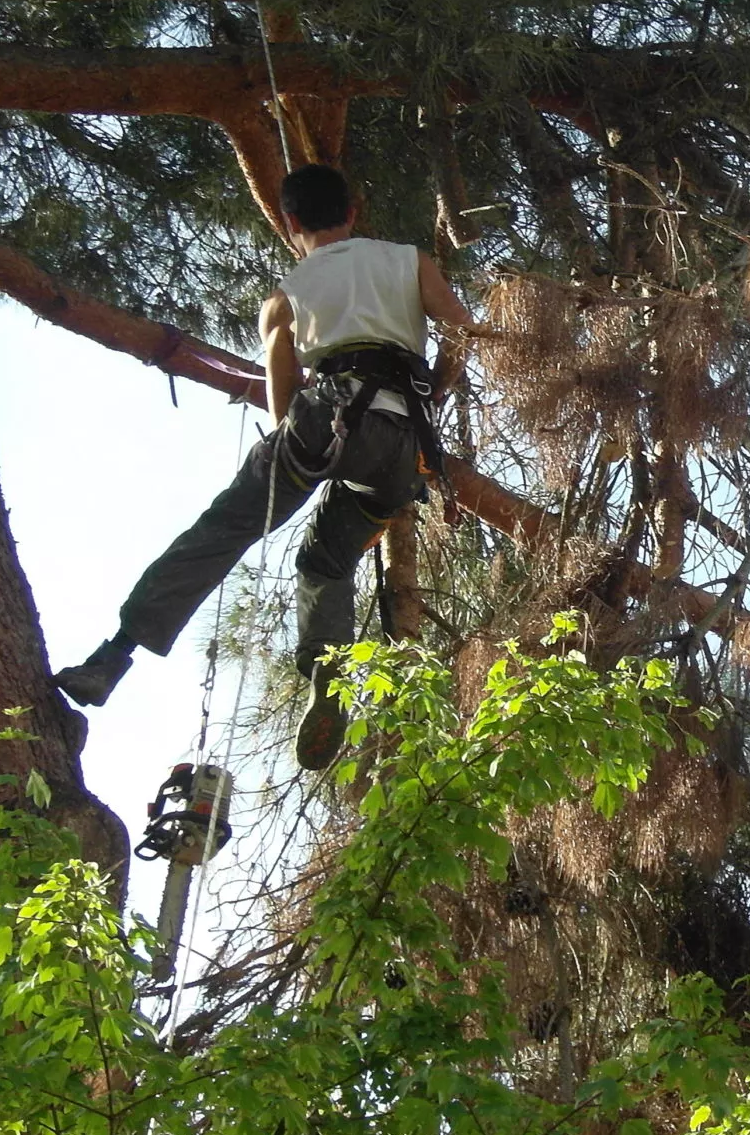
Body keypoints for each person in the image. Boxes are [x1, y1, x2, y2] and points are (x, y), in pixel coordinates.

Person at [53, 161, 482, 768]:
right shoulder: (411, 261)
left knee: (224, 530)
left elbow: (285, 402)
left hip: (326, 420)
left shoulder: (282, 299)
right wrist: (434, 388)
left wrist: (294, 454)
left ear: (289, 221)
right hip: (400, 444)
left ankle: (113, 656)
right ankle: (329, 681)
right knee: (326, 560)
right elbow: (463, 334)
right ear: (353, 211)